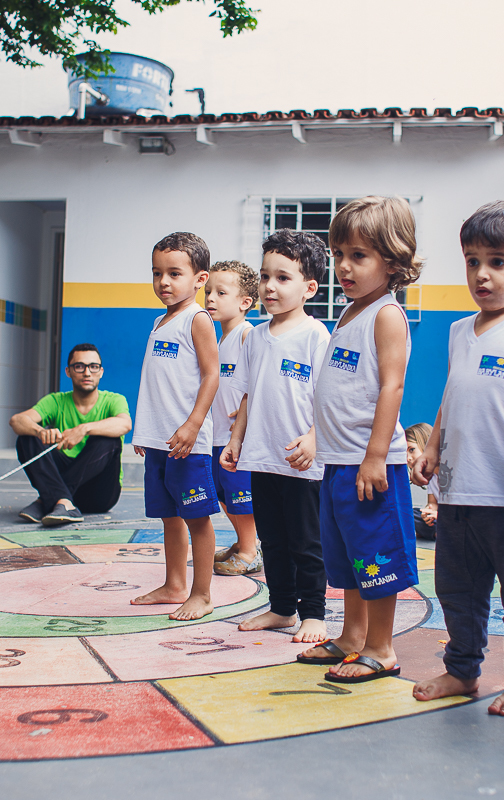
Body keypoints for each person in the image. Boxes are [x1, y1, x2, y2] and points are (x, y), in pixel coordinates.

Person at [409, 199, 504, 717]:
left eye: (498, 261)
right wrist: (431, 446)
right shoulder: (458, 332)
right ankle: (463, 669)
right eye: (472, 261)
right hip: (457, 488)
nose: (482, 274)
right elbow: (454, 393)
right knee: (456, 588)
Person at [298, 196, 421, 684]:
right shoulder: (350, 313)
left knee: (375, 555)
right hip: (338, 461)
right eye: (339, 255)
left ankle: (381, 646)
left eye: (359, 256)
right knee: (346, 555)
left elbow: (392, 386)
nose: (344, 267)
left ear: (392, 261)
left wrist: (375, 456)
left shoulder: (386, 315)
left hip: (371, 464)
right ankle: (351, 636)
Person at [221, 230, 332, 643]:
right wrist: (236, 440)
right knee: (273, 540)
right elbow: (249, 394)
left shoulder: (316, 336)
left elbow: (328, 396)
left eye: (283, 278)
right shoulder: (255, 337)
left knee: (306, 542)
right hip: (261, 457)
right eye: (266, 276)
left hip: (301, 461)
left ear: (310, 288)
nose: (270, 286)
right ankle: (282, 608)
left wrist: (315, 437)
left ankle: (314, 614)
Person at [129, 232, 221, 621]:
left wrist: (193, 425)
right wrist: (143, 433)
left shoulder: (197, 319)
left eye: (174, 273)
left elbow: (212, 374)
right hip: (158, 441)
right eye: (157, 273)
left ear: (199, 279)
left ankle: (201, 593)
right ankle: (174, 584)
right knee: (169, 515)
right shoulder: (159, 321)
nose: (163, 282)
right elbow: (156, 381)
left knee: (196, 517)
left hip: (188, 443)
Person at [10, 344, 132, 526]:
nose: (87, 373)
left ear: (101, 371)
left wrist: (84, 429)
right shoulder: (56, 401)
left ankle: (46, 501)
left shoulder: (114, 400)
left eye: (93, 367)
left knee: (109, 439)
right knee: (27, 437)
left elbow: (125, 424)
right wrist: (41, 431)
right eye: (79, 366)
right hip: (62, 479)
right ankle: (63, 501)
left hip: (99, 494)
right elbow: (17, 420)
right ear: (68, 371)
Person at [204, 260, 262, 576]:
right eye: (208, 290)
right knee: (224, 495)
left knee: (241, 497)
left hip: (237, 438)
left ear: (244, 302)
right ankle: (243, 542)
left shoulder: (246, 335)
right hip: (216, 436)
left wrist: (246, 411)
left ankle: (251, 551)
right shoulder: (220, 339)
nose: (210, 298)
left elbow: (259, 380)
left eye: (220, 292)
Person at [403, 423, 439, 540]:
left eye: (412, 450)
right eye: (405, 453)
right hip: (439, 520)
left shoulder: (448, 472)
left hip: (455, 517)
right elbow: (433, 503)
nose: (408, 458)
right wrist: (429, 511)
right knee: (407, 513)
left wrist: (440, 516)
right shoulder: (431, 476)